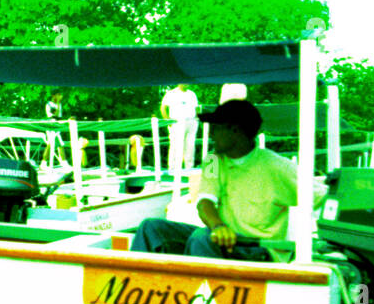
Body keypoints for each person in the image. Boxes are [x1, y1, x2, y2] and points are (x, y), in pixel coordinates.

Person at [132, 100, 318, 261]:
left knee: (201, 238)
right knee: (151, 228)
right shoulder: (213, 160)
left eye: (215, 127)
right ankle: (130, 297)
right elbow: (205, 202)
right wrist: (218, 226)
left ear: (235, 130)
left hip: (259, 248)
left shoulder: (277, 166)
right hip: (220, 240)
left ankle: (199, 301)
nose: (210, 134)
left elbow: (323, 196)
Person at [160, 82, 199, 175]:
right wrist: (167, 121)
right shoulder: (171, 93)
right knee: (176, 145)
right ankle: (172, 169)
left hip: (191, 121)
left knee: (190, 146)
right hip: (177, 122)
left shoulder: (192, 94)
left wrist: (197, 118)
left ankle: (189, 169)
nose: (186, 84)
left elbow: (196, 108)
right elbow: (163, 107)